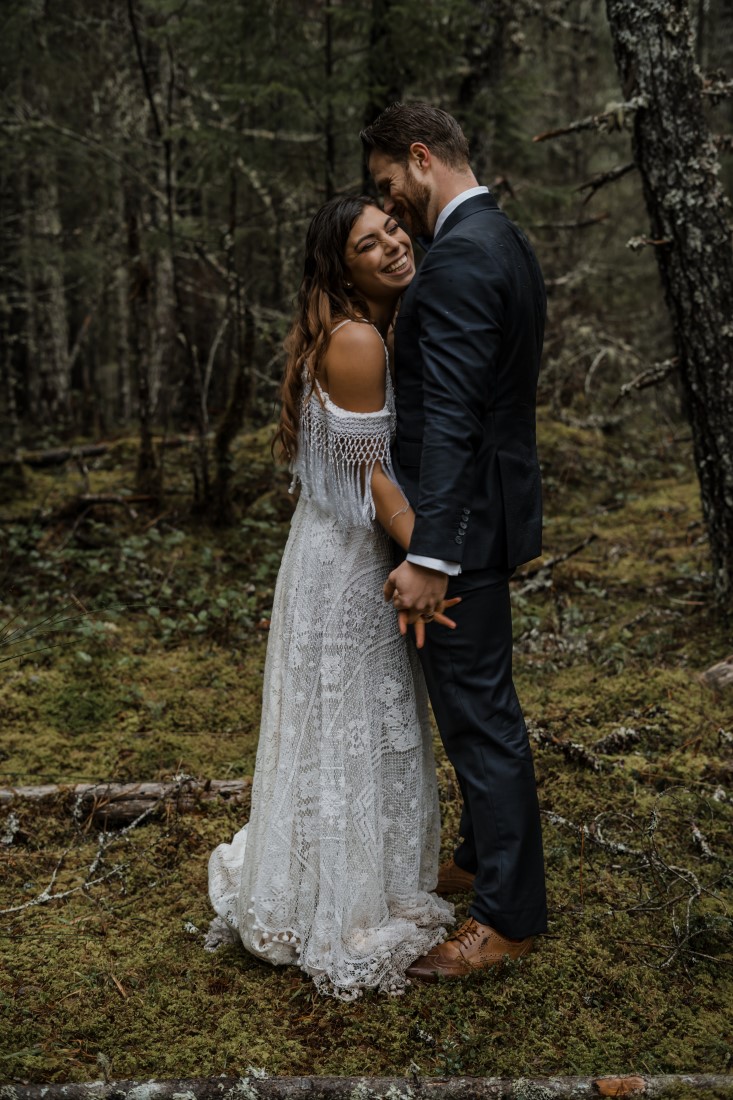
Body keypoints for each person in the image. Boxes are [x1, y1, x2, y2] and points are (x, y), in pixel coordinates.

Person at [205, 195, 457, 1001]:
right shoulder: (355, 341)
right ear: (338, 267)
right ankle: (337, 903)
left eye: (392, 230)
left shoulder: (362, 329)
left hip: (328, 549)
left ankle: (340, 877)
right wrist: (436, 554)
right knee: (348, 718)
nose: (390, 246)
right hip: (346, 560)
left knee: (344, 718)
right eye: (366, 244)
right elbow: (372, 476)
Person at [360, 102, 548, 980]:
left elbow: (456, 417)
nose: (388, 204)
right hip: (483, 514)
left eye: (388, 181)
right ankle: (478, 857)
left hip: (461, 531)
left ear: (422, 156)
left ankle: (506, 918)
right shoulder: (498, 238)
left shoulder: (465, 257)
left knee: (479, 719)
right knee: (477, 705)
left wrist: (430, 555)